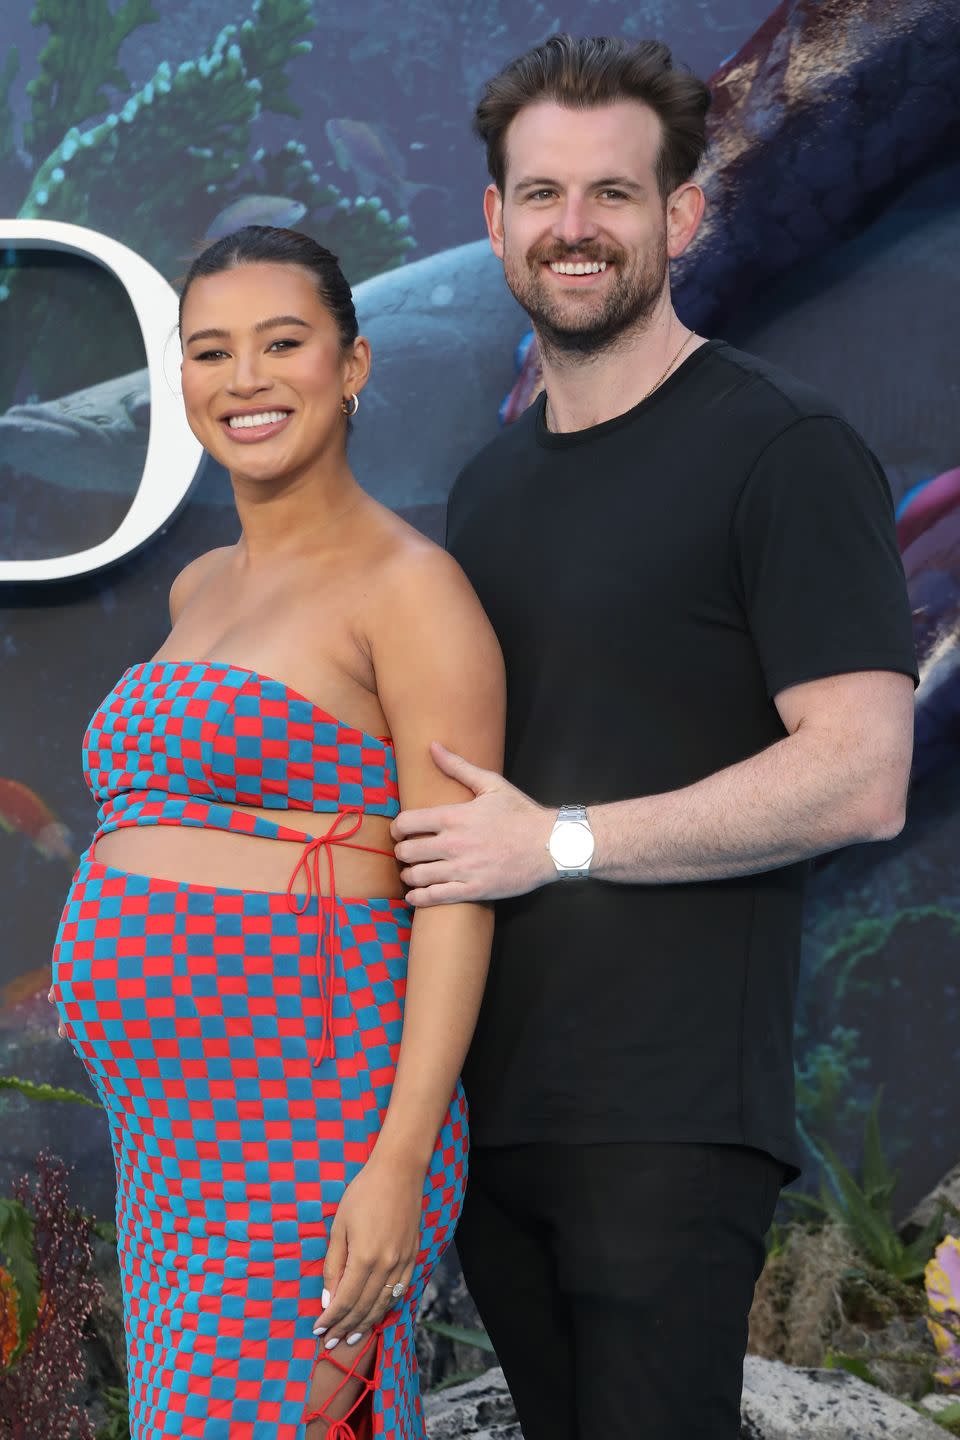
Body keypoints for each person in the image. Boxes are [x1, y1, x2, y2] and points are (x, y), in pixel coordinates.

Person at [389, 35, 918, 1440]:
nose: (576, 227)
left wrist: (554, 842)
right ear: (495, 221)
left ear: (682, 215)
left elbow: (863, 771)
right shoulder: (488, 489)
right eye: (543, 194)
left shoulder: (781, 450)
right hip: (493, 1123)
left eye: (614, 194)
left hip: (667, 1122)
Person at [49, 225, 504, 1440]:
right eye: (210, 351)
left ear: (352, 366)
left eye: (282, 344)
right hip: (168, 1141)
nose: (243, 378)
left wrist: (399, 1160)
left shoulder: (411, 588)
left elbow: (457, 892)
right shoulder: (198, 588)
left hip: (308, 1118)